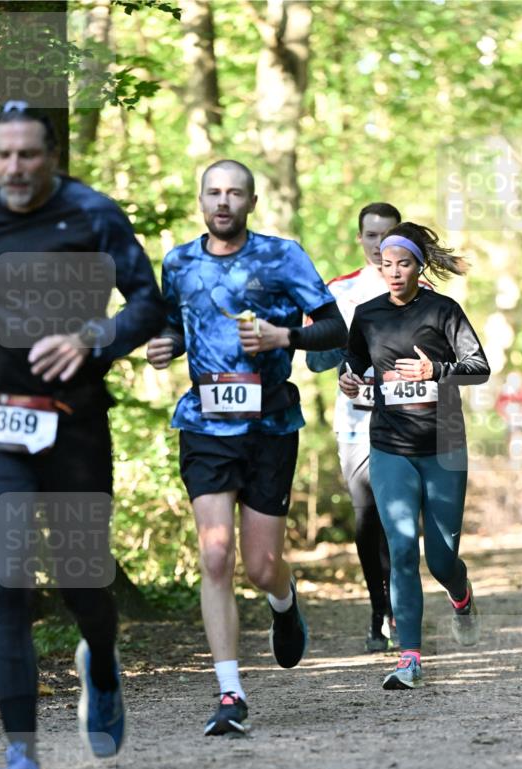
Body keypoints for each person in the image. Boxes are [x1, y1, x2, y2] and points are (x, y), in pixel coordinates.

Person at [0, 101, 166, 769]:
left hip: (74, 425)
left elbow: (147, 304)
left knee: (83, 581)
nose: (14, 168)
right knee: (8, 578)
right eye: (3, 155)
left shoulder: (91, 215)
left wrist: (90, 336)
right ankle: (24, 762)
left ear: (52, 156)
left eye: (28, 155)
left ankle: (101, 664)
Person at [146, 159, 347, 736]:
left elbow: (336, 329)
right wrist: (166, 345)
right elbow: (176, 326)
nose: (223, 201)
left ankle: (283, 601)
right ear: (201, 200)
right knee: (215, 555)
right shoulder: (179, 262)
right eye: (214, 192)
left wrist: (286, 336)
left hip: (270, 426)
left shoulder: (283, 257)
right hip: (205, 425)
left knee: (260, 568)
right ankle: (230, 692)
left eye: (235, 193)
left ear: (252, 203)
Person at [339, 222, 490, 691]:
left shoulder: (444, 311)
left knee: (441, 560)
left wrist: (435, 370)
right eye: (386, 264)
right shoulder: (367, 315)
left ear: (418, 267)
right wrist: (350, 379)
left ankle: (461, 596)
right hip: (390, 446)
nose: (394, 272)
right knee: (402, 548)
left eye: (403, 264)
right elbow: (354, 364)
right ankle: (409, 658)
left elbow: (479, 368)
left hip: (444, 445)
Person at [308, 203, 432, 652]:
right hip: (356, 423)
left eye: (388, 235)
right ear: (359, 239)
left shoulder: (421, 289)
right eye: (371, 236)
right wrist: (345, 354)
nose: (380, 245)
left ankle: (401, 609)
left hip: (408, 421)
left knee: (400, 518)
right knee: (367, 517)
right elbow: (316, 360)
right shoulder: (339, 290)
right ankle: (378, 610)